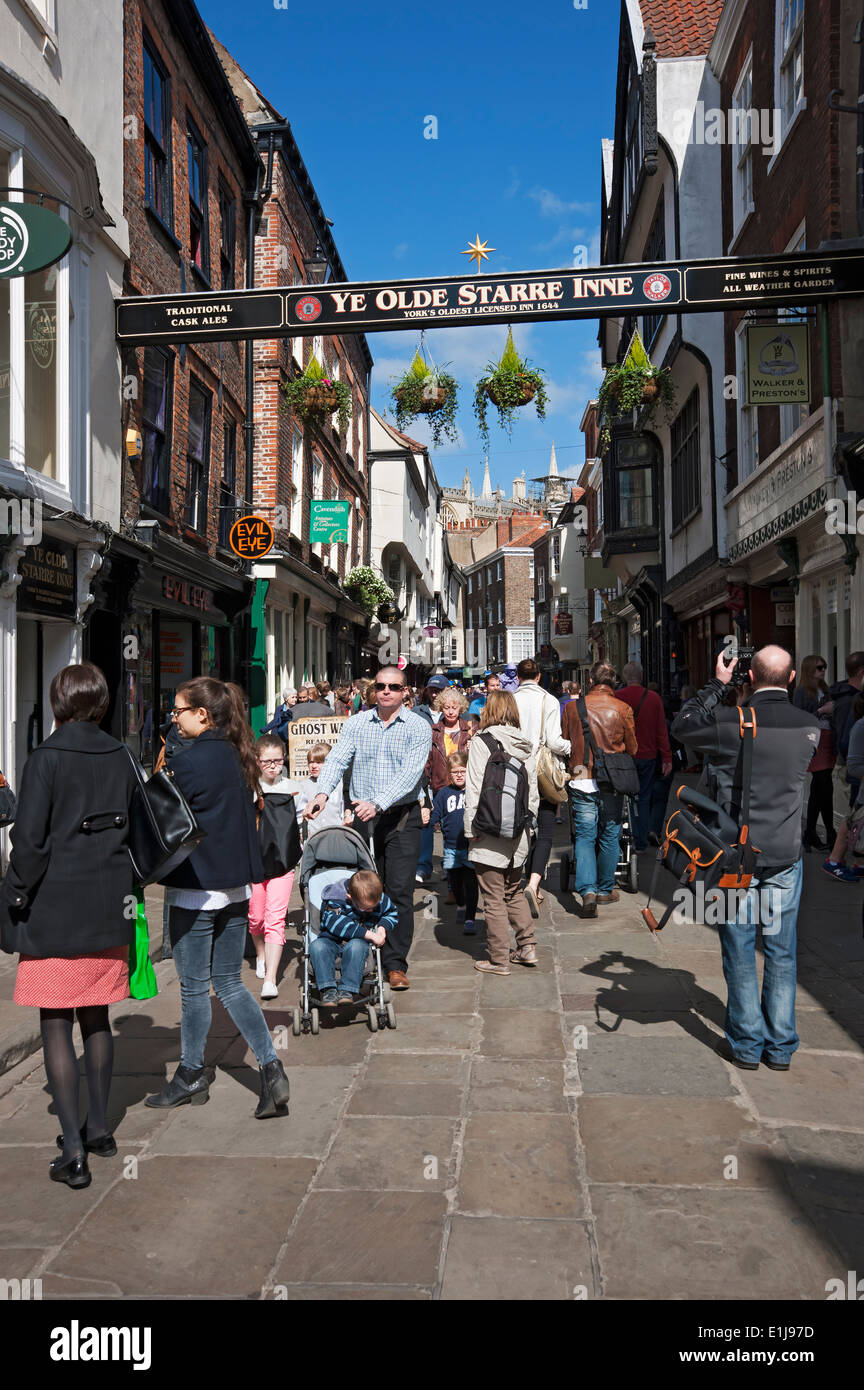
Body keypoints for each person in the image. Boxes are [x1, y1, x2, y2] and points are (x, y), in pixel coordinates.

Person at [0, 663, 138, 1189]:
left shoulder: (46, 758)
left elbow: (30, 843)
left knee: (56, 1019)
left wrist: (13, 892)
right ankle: (100, 1129)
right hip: (109, 904)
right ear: (101, 704)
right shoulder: (122, 753)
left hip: (54, 904)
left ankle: (74, 1152)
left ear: (59, 702)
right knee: (96, 1015)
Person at [146, 678, 291, 1120]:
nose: (175, 718)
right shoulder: (236, 753)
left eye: (179, 711)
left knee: (194, 988)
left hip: (196, 886)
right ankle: (270, 1068)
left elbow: (157, 808)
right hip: (236, 886)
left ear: (203, 714)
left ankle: (191, 1073)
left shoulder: (188, 760)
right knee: (229, 983)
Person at [671, 646, 820, 1072]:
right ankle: (780, 1045)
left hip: (736, 858)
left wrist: (718, 682)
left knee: (738, 947)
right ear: (791, 679)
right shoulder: (811, 726)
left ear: (749, 676)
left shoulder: (731, 724)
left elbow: (683, 725)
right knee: (781, 951)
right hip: (785, 855)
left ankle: (747, 1043)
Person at [302, 666, 433, 991]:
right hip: (364, 815)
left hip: (402, 816)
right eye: (381, 686)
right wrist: (321, 793)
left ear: (405, 692)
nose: (386, 691)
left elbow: (410, 774)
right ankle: (357, 956)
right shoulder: (357, 723)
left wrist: (379, 801)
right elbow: (337, 760)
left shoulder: (418, 726)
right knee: (363, 888)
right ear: (374, 690)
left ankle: (394, 964)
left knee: (399, 890)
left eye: (394, 686)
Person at [464, 691, 539, 975]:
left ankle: (498, 959)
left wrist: (471, 827)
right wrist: (527, 828)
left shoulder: (482, 742)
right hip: (518, 831)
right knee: (513, 890)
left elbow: (474, 789)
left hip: (488, 829)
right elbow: (532, 794)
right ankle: (527, 946)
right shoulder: (525, 744)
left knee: (492, 896)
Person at [562, 662, 638, 918]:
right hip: (612, 779)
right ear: (614, 684)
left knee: (584, 836)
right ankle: (606, 888)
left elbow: (565, 741)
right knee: (610, 833)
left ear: (591, 681)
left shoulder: (573, 708)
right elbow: (633, 748)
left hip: (581, 776)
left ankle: (587, 892)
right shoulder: (623, 708)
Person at [512, 658, 571, 915]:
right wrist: (570, 748)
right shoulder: (550, 700)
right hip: (542, 774)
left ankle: (519, 882)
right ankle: (534, 884)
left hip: (514, 771)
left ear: (518, 678)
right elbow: (555, 742)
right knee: (546, 830)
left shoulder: (509, 699)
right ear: (538, 677)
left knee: (521, 828)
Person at [249, 735, 301, 1000]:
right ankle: (260, 954)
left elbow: (303, 820)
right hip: (255, 863)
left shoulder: (293, 788)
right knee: (256, 917)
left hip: (283, 863)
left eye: (277, 760)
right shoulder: (249, 788)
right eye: (267, 761)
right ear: (257, 762)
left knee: (275, 918)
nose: (272, 766)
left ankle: (271, 978)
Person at [311, 870, 397, 1006]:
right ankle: (328, 989)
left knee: (357, 946)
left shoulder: (378, 899)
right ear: (349, 897)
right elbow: (338, 924)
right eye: (365, 908)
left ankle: (347, 990)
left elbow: (391, 912)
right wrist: (370, 934)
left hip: (357, 943)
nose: (370, 911)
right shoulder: (335, 899)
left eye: (373, 908)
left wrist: (382, 927)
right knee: (317, 946)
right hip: (331, 939)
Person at [616, 662, 674, 852]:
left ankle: (627, 839)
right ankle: (641, 842)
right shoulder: (653, 698)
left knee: (626, 798)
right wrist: (666, 757)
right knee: (644, 797)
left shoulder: (617, 698)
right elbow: (661, 731)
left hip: (624, 756)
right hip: (648, 755)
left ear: (625, 677)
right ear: (641, 677)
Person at [417, 688, 474, 883]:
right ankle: (424, 866)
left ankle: (457, 867)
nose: (450, 711)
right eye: (447, 707)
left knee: (458, 824)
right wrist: (425, 783)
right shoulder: (433, 731)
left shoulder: (470, 729)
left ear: (461, 708)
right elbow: (427, 761)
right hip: (439, 784)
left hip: (464, 784)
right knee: (428, 823)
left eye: (454, 707)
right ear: (441, 708)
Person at [430, 752, 478, 934]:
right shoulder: (444, 794)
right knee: (455, 883)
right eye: (455, 772)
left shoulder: (474, 791)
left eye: (463, 771)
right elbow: (436, 814)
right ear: (449, 773)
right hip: (451, 848)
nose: (459, 775)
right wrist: (426, 819)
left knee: (471, 883)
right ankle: (461, 904)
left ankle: (470, 919)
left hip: (471, 847)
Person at [792, 655, 836, 852]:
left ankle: (812, 833)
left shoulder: (826, 689)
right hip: (814, 739)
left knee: (823, 787)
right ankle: (826, 833)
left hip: (828, 738)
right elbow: (799, 718)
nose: (823, 671)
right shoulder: (801, 692)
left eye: (824, 667)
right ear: (809, 669)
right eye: (819, 668)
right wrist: (821, 710)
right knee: (823, 784)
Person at [295, 742, 350, 836]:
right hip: (313, 836)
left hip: (337, 834)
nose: (314, 766)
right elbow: (299, 813)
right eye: (311, 762)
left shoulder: (339, 785)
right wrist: (302, 830)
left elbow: (342, 808)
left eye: (319, 762)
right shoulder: (303, 786)